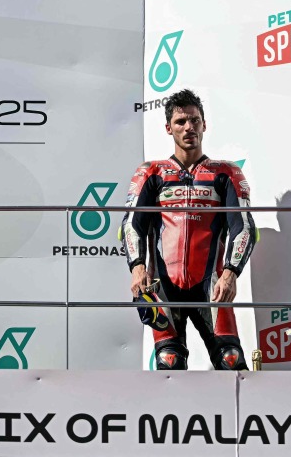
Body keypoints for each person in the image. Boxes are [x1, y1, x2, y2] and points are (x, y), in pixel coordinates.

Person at [121, 88, 256, 370]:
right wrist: (137, 267)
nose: (188, 127)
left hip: (213, 285)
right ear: (168, 128)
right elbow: (132, 224)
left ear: (204, 124)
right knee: (169, 363)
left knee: (231, 361)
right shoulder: (151, 172)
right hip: (164, 287)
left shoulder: (226, 172)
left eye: (194, 120)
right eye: (181, 122)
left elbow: (243, 227)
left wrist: (230, 274)